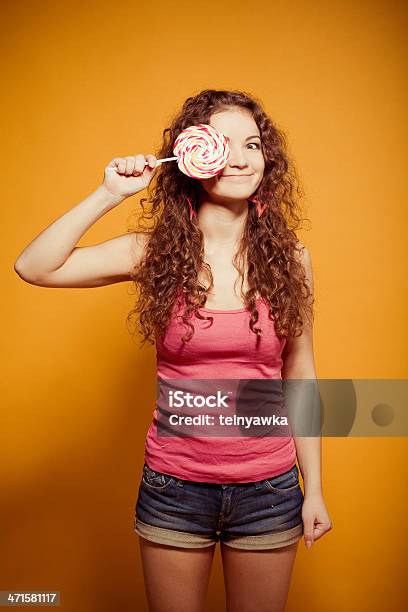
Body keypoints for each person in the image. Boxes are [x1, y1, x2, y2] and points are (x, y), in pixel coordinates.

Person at [14, 89, 332, 612]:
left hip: (269, 490)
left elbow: (301, 372)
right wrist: (109, 193)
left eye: (252, 144)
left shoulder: (291, 258)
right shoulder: (154, 253)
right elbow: (35, 267)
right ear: (191, 156)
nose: (240, 157)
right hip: (174, 487)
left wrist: (313, 486)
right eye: (223, 143)